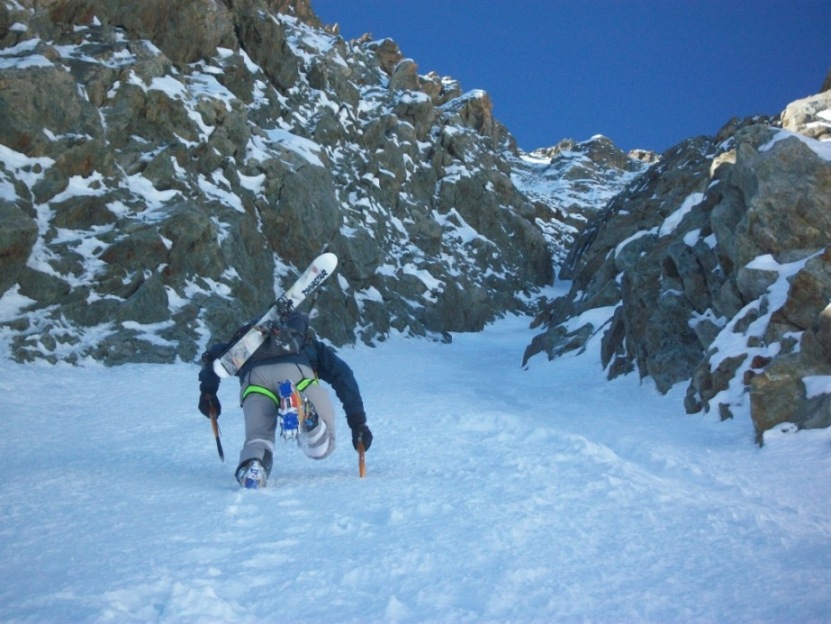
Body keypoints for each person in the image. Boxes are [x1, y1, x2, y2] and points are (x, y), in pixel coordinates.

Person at [197, 311, 372, 488]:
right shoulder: (307, 343)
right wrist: (358, 423)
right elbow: (343, 376)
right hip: (298, 376)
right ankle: (307, 417)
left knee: (258, 437)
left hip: (255, 381)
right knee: (322, 448)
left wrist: (208, 392)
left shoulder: (247, 344)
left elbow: (214, 358)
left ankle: (253, 467)